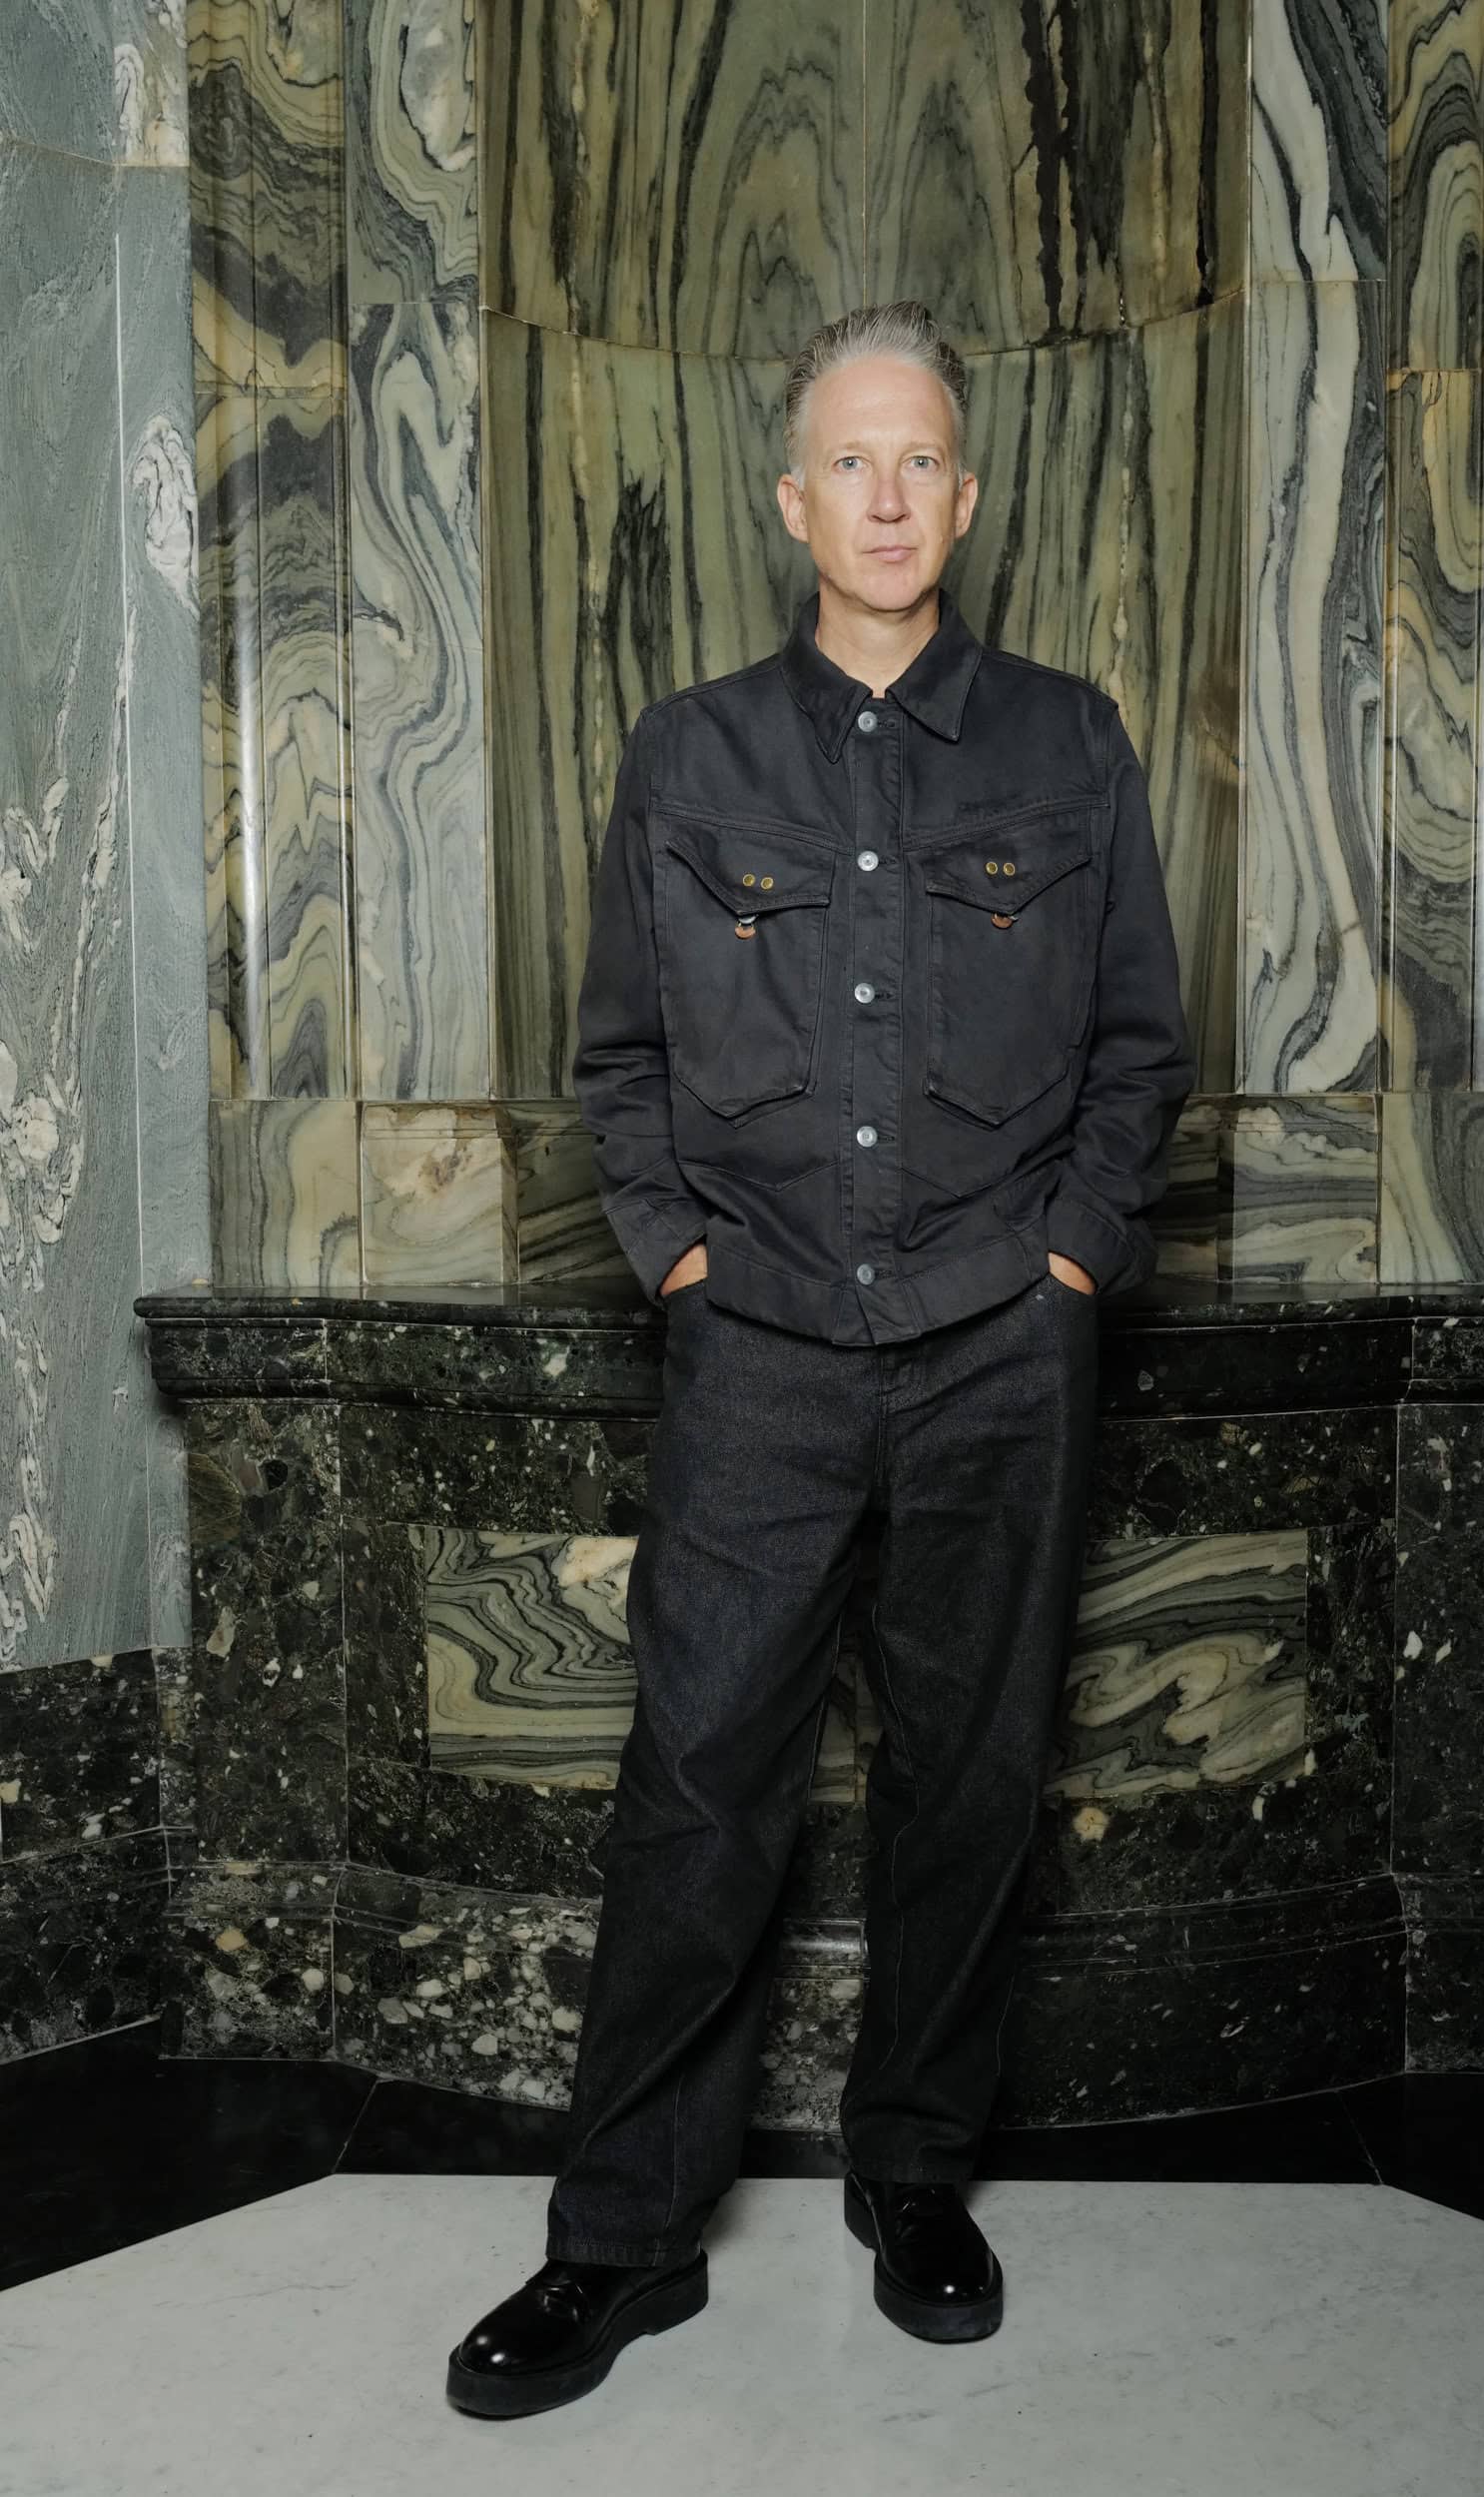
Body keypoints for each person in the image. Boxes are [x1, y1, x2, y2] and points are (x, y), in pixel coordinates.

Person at [446, 299, 1194, 2419]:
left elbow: (1139, 1051)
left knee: (973, 1771)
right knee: (698, 1780)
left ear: (966, 495)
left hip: (999, 1345)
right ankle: (622, 2236)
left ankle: (916, 2168)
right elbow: (620, 1061)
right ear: (792, 503)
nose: (885, 495)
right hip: (760, 1344)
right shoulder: (691, 754)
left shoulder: (1068, 741)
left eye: (918, 459)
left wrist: (1070, 1263)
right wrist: (680, 1259)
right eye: (848, 462)